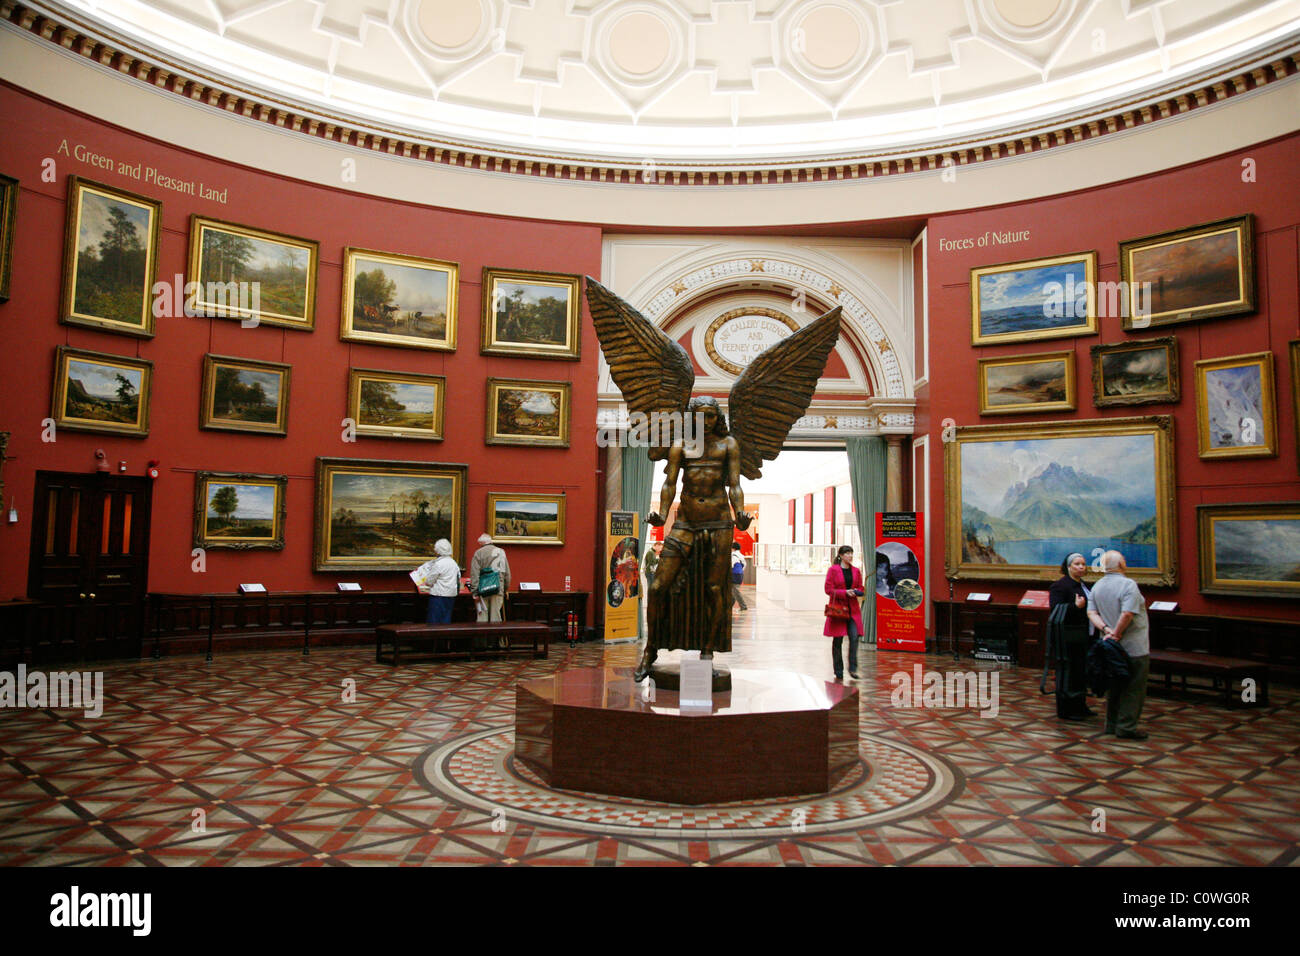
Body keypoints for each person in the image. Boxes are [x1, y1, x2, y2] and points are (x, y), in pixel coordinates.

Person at [639, 396, 751, 682]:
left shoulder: (729, 445)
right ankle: (650, 649)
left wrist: (739, 513)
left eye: (711, 416)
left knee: (715, 588)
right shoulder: (680, 445)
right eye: (701, 416)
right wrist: (663, 515)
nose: (707, 422)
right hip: (685, 522)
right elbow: (669, 483)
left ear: (718, 418)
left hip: (719, 522)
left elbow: (735, 485)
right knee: (658, 586)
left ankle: (708, 650)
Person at [1087, 550, 1150, 740]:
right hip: (1133, 646)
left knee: (1114, 687)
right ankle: (1126, 727)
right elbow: (1127, 613)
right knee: (1133, 688)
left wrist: (1106, 630)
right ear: (1122, 565)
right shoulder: (1128, 585)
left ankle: (1111, 724)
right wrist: (1117, 633)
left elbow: (1091, 613)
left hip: (1108, 647)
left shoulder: (1097, 586)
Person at [1046, 552, 1094, 720]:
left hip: (1083, 634)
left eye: (1083, 564)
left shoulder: (1084, 585)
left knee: (1080, 672)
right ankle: (1067, 709)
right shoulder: (1060, 586)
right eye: (1077, 564)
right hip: (1066, 636)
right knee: (1068, 673)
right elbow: (1056, 609)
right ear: (1068, 567)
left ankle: (1080, 705)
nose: (1081, 567)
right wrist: (1075, 607)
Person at [823, 545, 865, 680]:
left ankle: (853, 668)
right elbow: (828, 589)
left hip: (853, 609)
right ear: (840, 555)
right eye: (847, 553)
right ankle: (838, 670)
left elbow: (861, 587)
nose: (850, 556)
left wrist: (857, 591)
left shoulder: (856, 571)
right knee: (838, 640)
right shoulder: (833, 570)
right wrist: (844, 592)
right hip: (839, 609)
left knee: (854, 637)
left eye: (851, 553)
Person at [413, 539, 460, 624]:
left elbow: (429, 581)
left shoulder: (439, 564)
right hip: (451, 595)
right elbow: (458, 577)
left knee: (434, 622)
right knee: (446, 620)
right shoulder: (453, 563)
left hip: (438, 595)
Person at [469, 533, 511, 622]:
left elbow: (474, 574)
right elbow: (506, 573)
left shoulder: (478, 553)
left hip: (482, 589)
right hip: (498, 588)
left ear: (481, 543)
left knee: (482, 618)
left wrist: (475, 591)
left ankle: (482, 635)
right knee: (496, 617)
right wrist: (505, 588)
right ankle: (495, 635)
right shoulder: (501, 552)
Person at [730, 541, 748, 611]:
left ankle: (743, 606)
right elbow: (744, 565)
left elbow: (731, 565)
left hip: (734, 574)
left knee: (735, 591)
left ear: (733, 548)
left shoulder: (733, 555)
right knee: (734, 591)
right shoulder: (741, 555)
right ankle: (729, 606)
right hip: (740, 574)